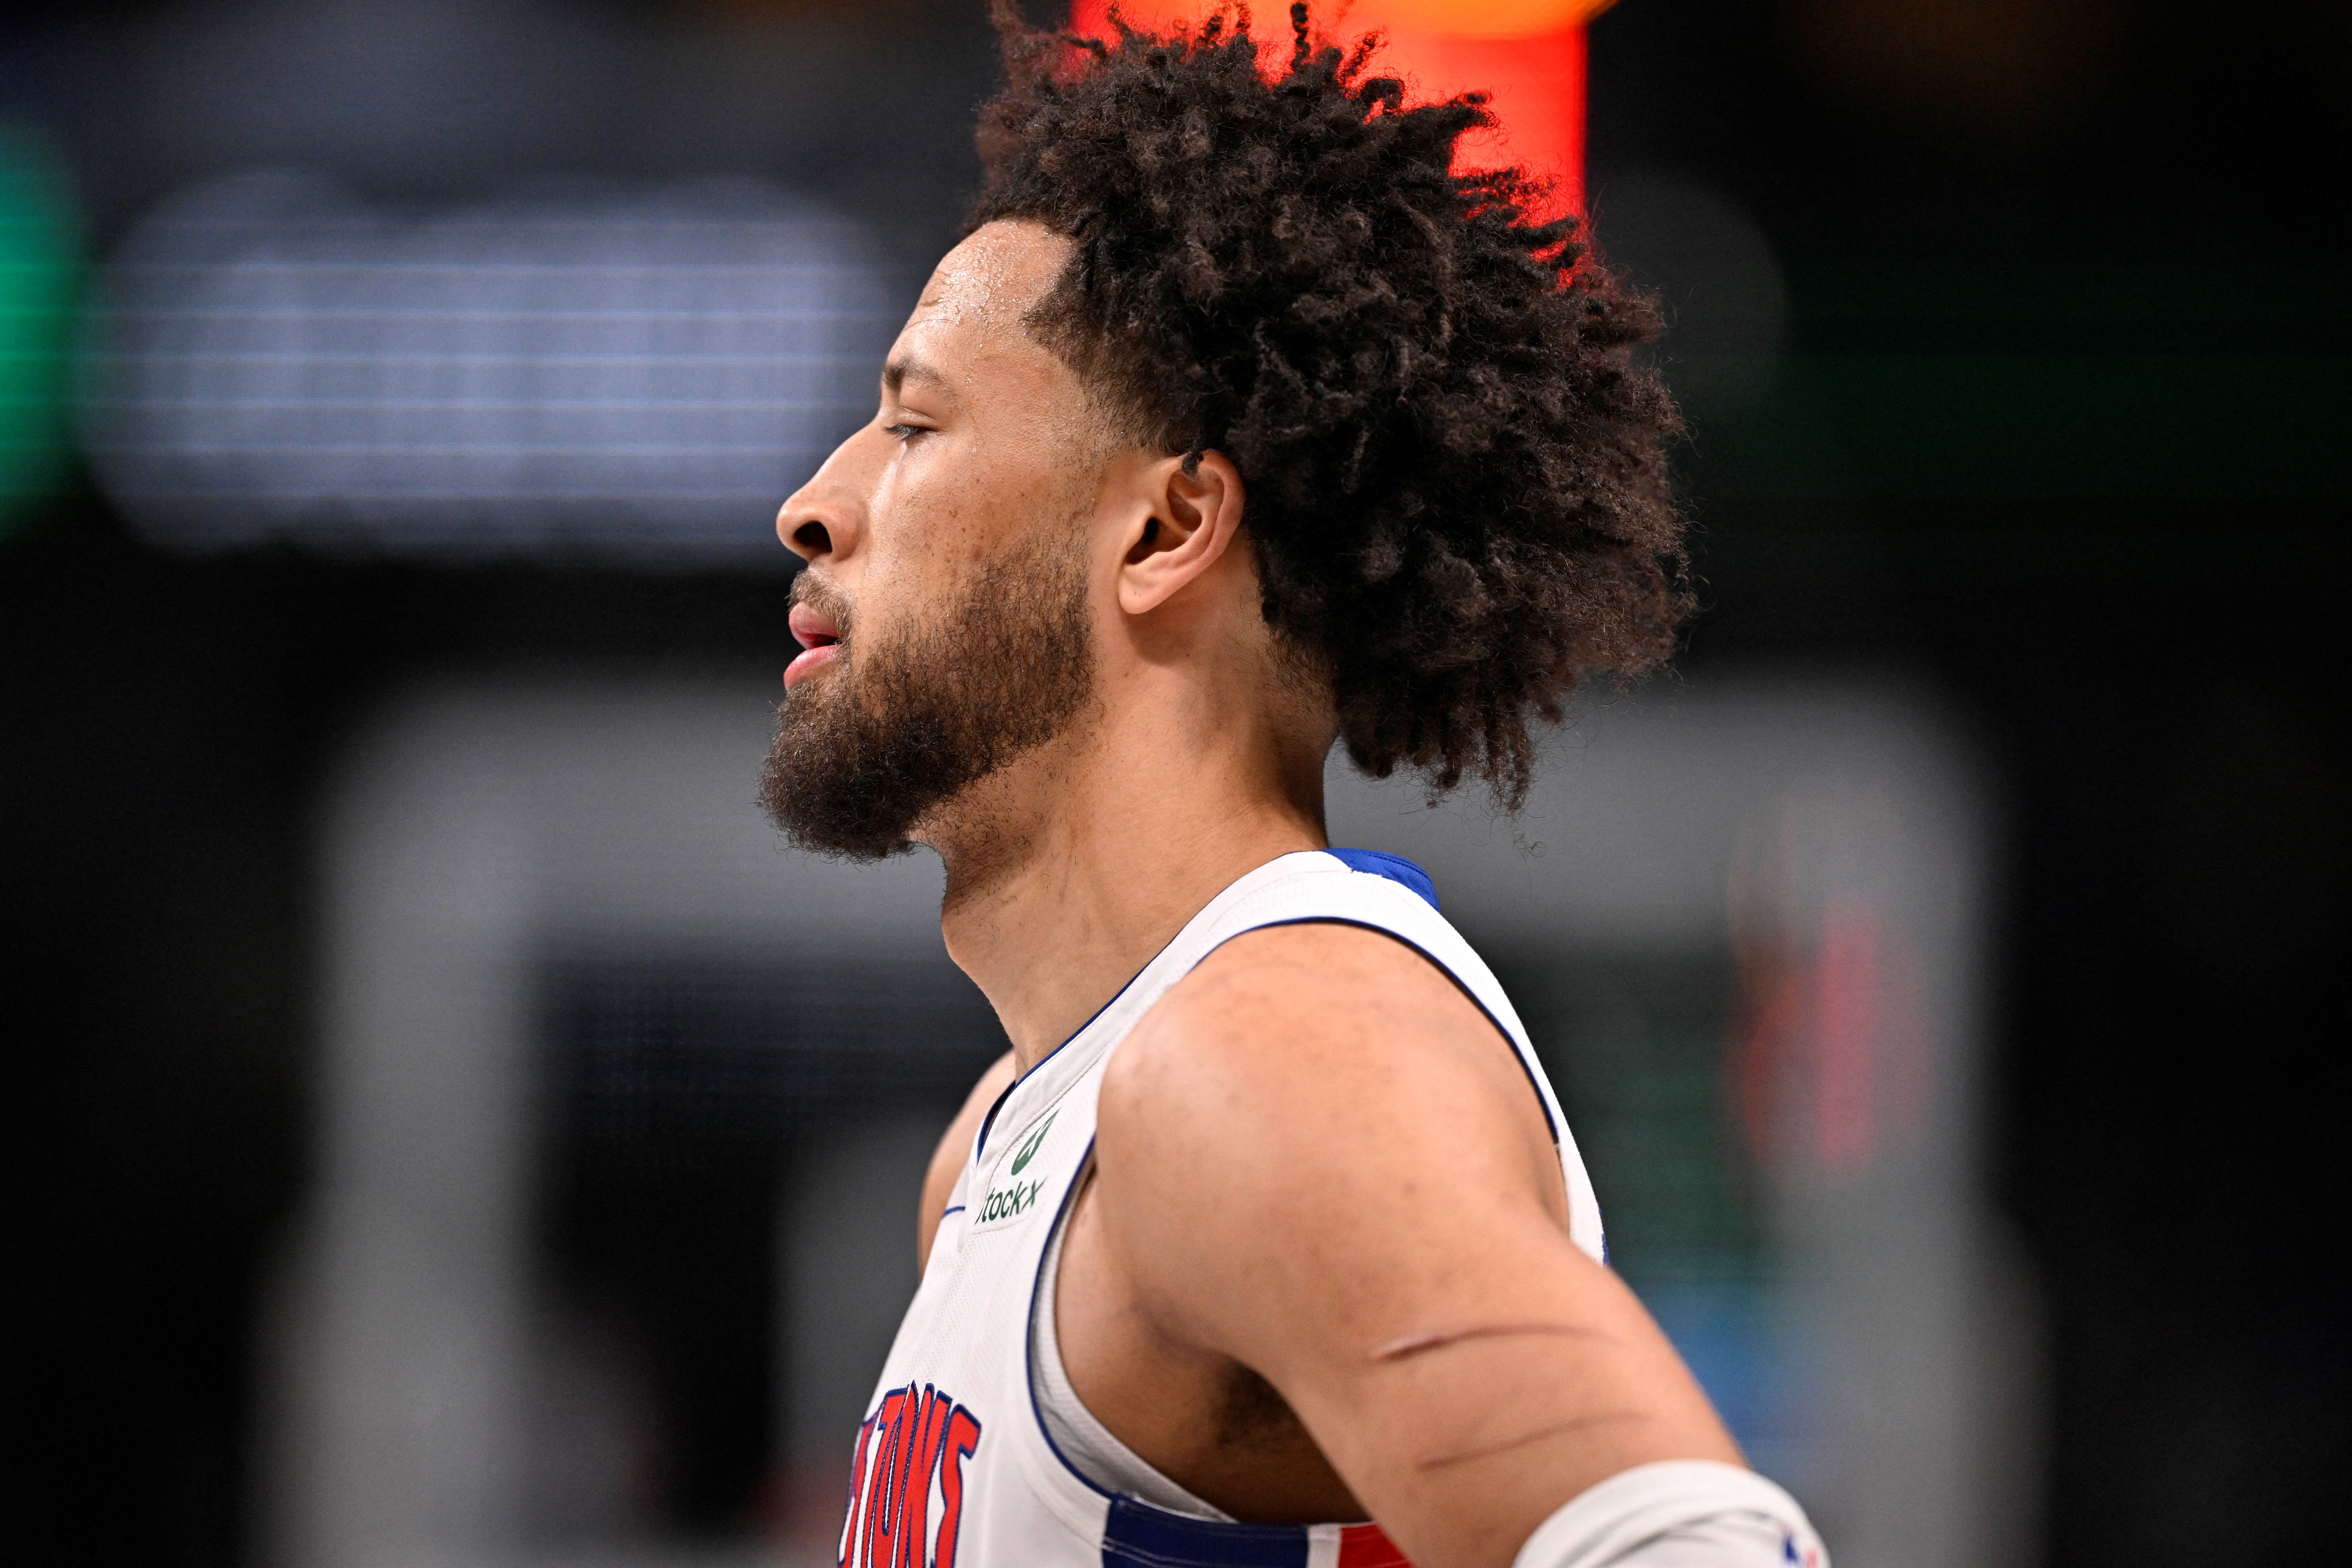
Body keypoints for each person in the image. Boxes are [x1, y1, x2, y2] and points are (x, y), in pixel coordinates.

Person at [759, 6, 1827, 1566]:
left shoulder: (1271, 1052)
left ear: (1165, 529)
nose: (812, 504)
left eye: (916, 423)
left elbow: (1699, 1547)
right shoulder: (1006, 1144)